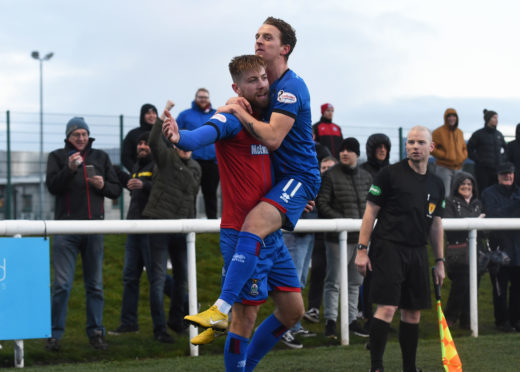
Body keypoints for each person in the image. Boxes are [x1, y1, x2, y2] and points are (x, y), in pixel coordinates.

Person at [184, 18, 321, 348]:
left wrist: (238, 112)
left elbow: (273, 138)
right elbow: (215, 127)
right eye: (257, 35)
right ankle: (224, 317)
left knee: (253, 226)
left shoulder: (288, 88)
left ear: (284, 49)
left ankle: (220, 308)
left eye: (268, 37)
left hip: (296, 180)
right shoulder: (263, 94)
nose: (259, 40)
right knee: (291, 311)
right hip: (283, 189)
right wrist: (195, 130)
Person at [163, 54, 305, 370]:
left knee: (293, 310)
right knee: (245, 316)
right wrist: (179, 137)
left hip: (272, 233)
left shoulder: (270, 119)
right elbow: (203, 134)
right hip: (241, 234)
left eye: (263, 78)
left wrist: (293, 198)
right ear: (236, 87)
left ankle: (247, 365)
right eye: (252, 81)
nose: (261, 85)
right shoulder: (229, 118)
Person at [355, 126, 445, 372]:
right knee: (387, 308)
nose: (415, 146)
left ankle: (409, 368)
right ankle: (377, 367)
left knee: (413, 313)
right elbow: (370, 213)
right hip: (388, 248)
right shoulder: (389, 174)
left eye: (420, 142)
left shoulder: (437, 184)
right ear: (406, 147)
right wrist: (362, 250)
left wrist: (439, 261)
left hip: (417, 251)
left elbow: (436, 224)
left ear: (431, 147)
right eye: (411, 142)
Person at [45, 117, 122, 351]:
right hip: (65, 230)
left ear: (89, 136)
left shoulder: (101, 157)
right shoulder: (57, 157)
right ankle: (54, 335)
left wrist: (102, 186)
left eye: (84, 134)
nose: (81, 138)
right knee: (61, 285)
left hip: (94, 228)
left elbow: (115, 189)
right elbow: (52, 187)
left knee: (95, 285)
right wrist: (69, 170)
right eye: (76, 134)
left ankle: (96, 332)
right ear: (68, 137)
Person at [142, 105, 202, 343]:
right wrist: (162, 117)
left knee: (182, 279)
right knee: (157, 279)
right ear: (175, 143)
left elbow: (191, 195)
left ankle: (176, 321)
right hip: (158, 224)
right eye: (181, 143)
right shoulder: (166, 158)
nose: (185, 148)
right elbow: (154, 141)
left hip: (183, 227)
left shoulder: (196, 168)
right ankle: (159, 330)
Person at [317, 138, 372, 339]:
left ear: (357, 153)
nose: (345, 153)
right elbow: (322, 203)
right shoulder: (330, 176)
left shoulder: (366, 177)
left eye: (349, 150)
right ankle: (330, 323)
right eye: (342, 150)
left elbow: (373, 205)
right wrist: (342, 222)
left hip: (361, 240)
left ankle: (351, 321)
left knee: (355, 282)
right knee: (334, 281)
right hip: (336, 239)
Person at [110, 132, 156, 335]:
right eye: (140, 143)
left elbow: (165, 189)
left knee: (157, 278)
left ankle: (185, 304)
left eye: (146, 143)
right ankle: (129, 324)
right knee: (129, 277)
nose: (142, 146)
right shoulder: (137, 166)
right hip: (134, 227)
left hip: (152, 228)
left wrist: (144, 185)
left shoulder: (159, 166)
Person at [481, 162, 520, 332]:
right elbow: (493, 214)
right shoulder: (489, 193)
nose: (508, 176)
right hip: (499, 249)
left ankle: (516, 320)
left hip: (518, 248)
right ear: (498, 175)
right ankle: (501, 322)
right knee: (500, 289)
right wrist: (516, 205)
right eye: (504, 173)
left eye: (510, 173)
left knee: (518, 288)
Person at [443, 172, 485, 329]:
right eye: (463, 184)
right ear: (456, 186)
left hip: (477, 252)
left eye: (469, 184)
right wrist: (476, 221)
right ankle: (450, 318)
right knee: (460, 286)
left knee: (474, 286)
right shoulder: (449, 203)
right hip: (458, 253)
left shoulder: (478, 203)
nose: (466, 187)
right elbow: (451, 228)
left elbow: (484, 231)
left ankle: (467, 321)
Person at [303, 156, 337, 324]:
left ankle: (342, 313)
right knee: (317, 270)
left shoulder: (338, 184)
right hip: (318, 234)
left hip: (338, 235)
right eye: (324, 168)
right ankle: (314, 308)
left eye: (330, 168)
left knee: (340, 276)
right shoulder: (314, 184)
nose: (327, 171)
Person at [177, 88, 219, 219]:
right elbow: (176, 133)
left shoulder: (216, 114)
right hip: (192, 161)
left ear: (209, 99)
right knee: (191, 193)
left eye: (205, 97)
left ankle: (212, 224)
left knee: (211, 194)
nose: (203, 99)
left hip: (212, 162)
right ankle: (191, 223)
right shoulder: (185, 115)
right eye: (200, 97)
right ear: (195, 98)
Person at [467, 109, 507, 195]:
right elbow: (469, 149)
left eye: (497, 118)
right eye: (494, 118)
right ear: (488, 119)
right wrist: (479, 160)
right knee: (483, 192)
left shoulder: (499, 134)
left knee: (496, 192)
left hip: (496, 170)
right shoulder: (478, 134)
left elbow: (506, 149)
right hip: (483, 170)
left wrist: (502, 160)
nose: (496, 120)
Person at [431, 108, 468, 197]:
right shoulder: (438, 132)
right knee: (445, 194)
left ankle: (456, 211)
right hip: (444, 167)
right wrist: (444, 155)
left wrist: (463, 157)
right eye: (449, 117)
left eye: (454, 117)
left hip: (458, 168)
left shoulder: (459, 132)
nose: (452, 119)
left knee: (458, 193)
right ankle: (444, 210)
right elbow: (432, 147)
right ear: (446, 118)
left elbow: (464, 148)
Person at [121, 103, 158, 172]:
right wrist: (136, 171)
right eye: (148, 113)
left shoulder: (162, 134)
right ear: (142, 115)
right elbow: (125, 157)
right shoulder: (133, 134)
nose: (152, 116)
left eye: (154, 113)